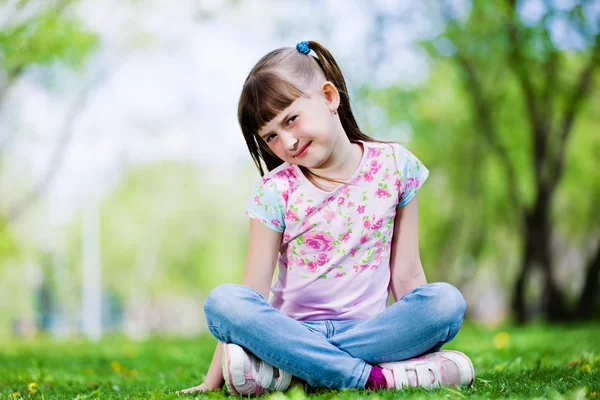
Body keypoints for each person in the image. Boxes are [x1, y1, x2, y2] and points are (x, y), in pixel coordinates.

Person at [178, 40, 474, 396]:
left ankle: (291, 370)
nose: (287, 142)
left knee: (445, 302)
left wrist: (420, 340)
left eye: (291, 120)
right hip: (294, 332)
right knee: (223, 303)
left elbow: (408, 274)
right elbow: (251, 293)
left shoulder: (396, 167)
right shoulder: (276, 191)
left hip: (372, 332)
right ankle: (372, 378)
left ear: (329, 97)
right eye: (271, 136)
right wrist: (212, 383)